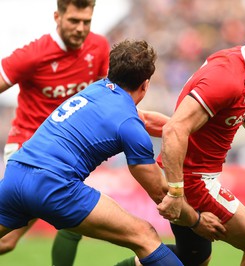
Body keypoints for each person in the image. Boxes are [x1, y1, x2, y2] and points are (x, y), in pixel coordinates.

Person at [0, 39, 224, 266]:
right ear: (145, 85)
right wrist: (197, 221)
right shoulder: (129, 124)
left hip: (16, 174)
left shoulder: (97, 89)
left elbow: (143, 118)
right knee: (144, 236)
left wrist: (184, 129)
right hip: (54, 185)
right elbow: (161, 195)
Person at [0, 1, 174, 265]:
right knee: (8, 242)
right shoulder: (33, 54)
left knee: (73, 220)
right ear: (57, 17)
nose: (81, 29)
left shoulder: (99, 48)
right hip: (28, 144)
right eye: (74, 21)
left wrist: (181, 128)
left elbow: (118, 101)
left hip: (65, 154)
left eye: (86, 21)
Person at [157, 17, 245, 266]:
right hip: (194, 182)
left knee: (193, 261)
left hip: (190, 175)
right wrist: (176, 192)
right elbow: (174, 128)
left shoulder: (238, 66)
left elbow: (221, 115)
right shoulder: (227, 79)